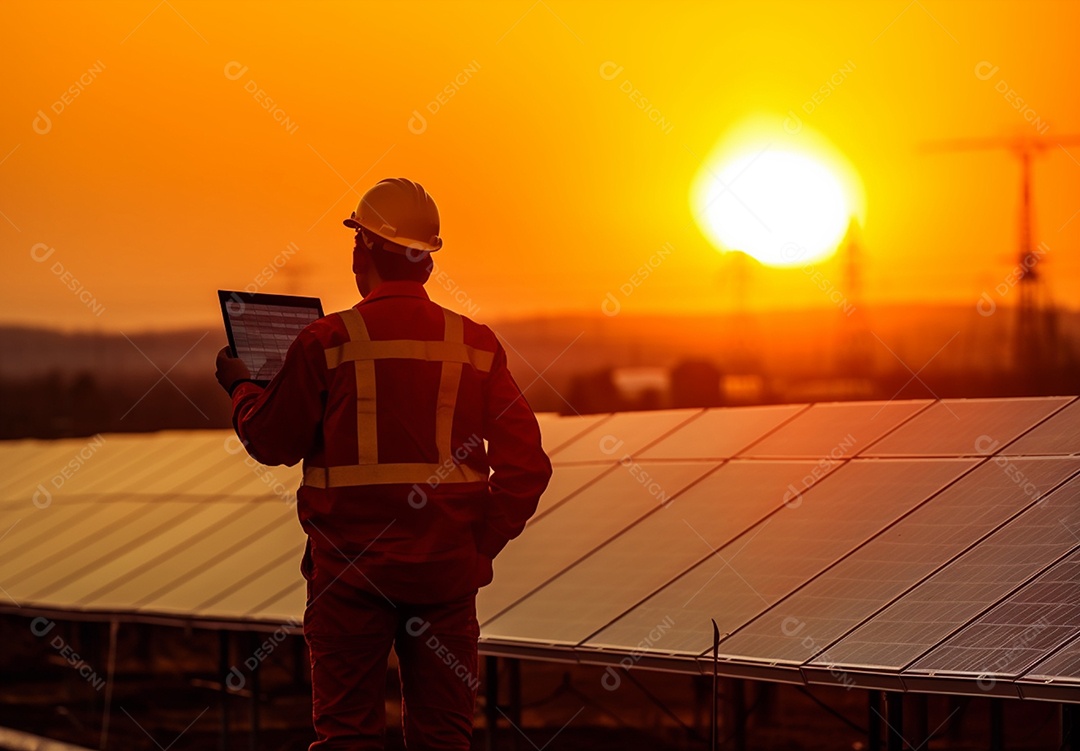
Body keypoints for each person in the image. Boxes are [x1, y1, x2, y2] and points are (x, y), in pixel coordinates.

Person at [214, 177, 552, 750]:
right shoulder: (475, 343)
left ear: (363, 250)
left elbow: (272, 443)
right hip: (445, 579)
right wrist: (476, 547)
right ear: (426, 262)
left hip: (348, 579)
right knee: (443, 741)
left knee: (347, 740)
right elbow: (528, 468)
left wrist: (242, 388)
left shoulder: (326, 341)